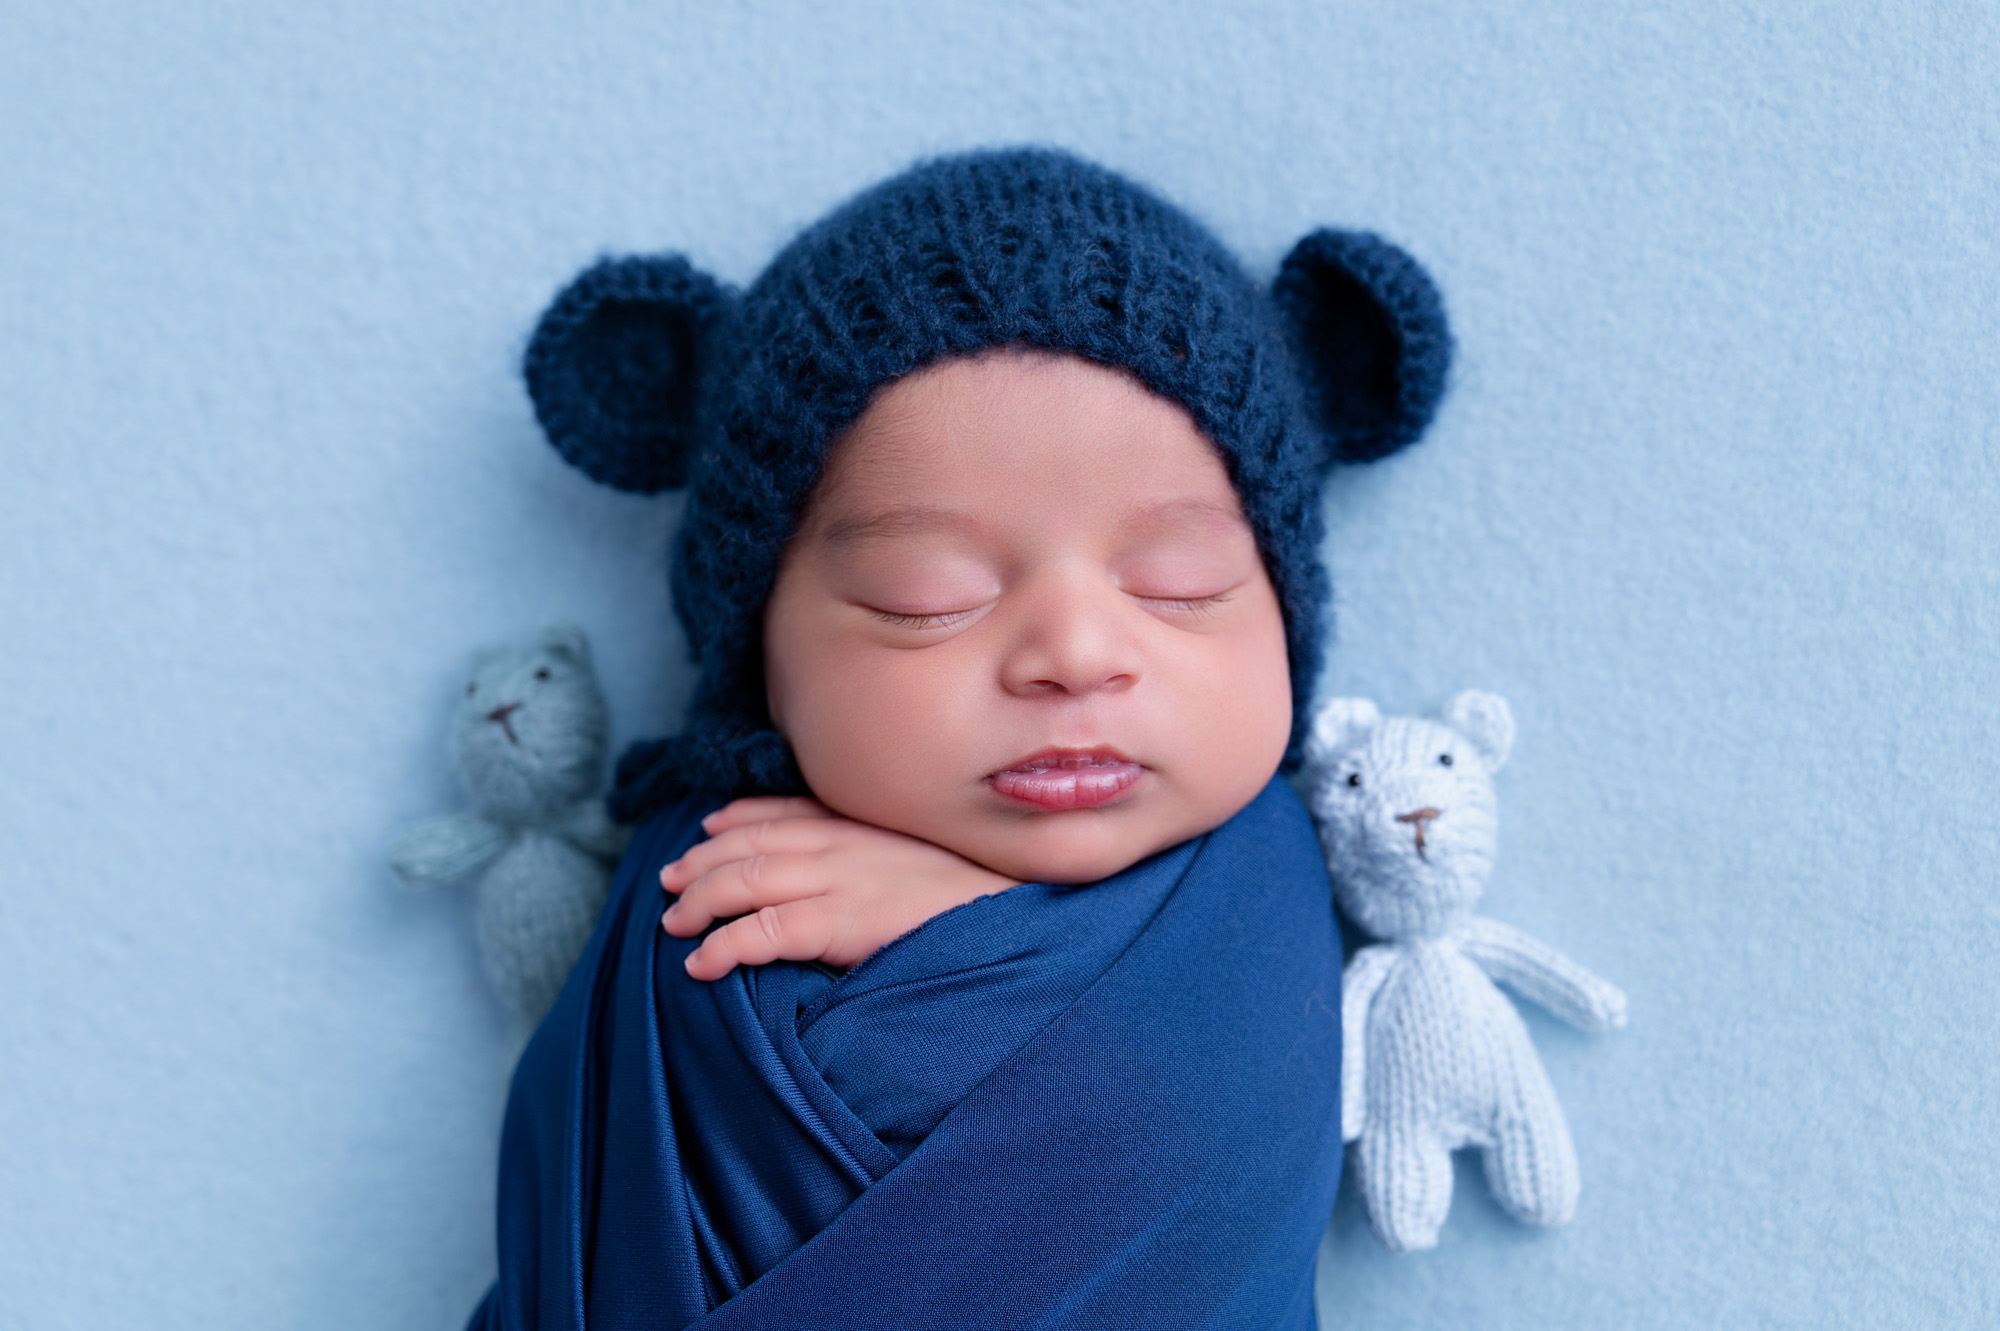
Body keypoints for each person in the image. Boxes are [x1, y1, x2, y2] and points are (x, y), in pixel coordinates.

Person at [473, 146, 1452, 1329]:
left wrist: (974, 924)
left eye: (1176, 580)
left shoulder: (1258, 897)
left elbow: (1183, 1104)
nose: (1076, 653)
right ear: (757, 658)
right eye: (922, 595)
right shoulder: (694, 913)